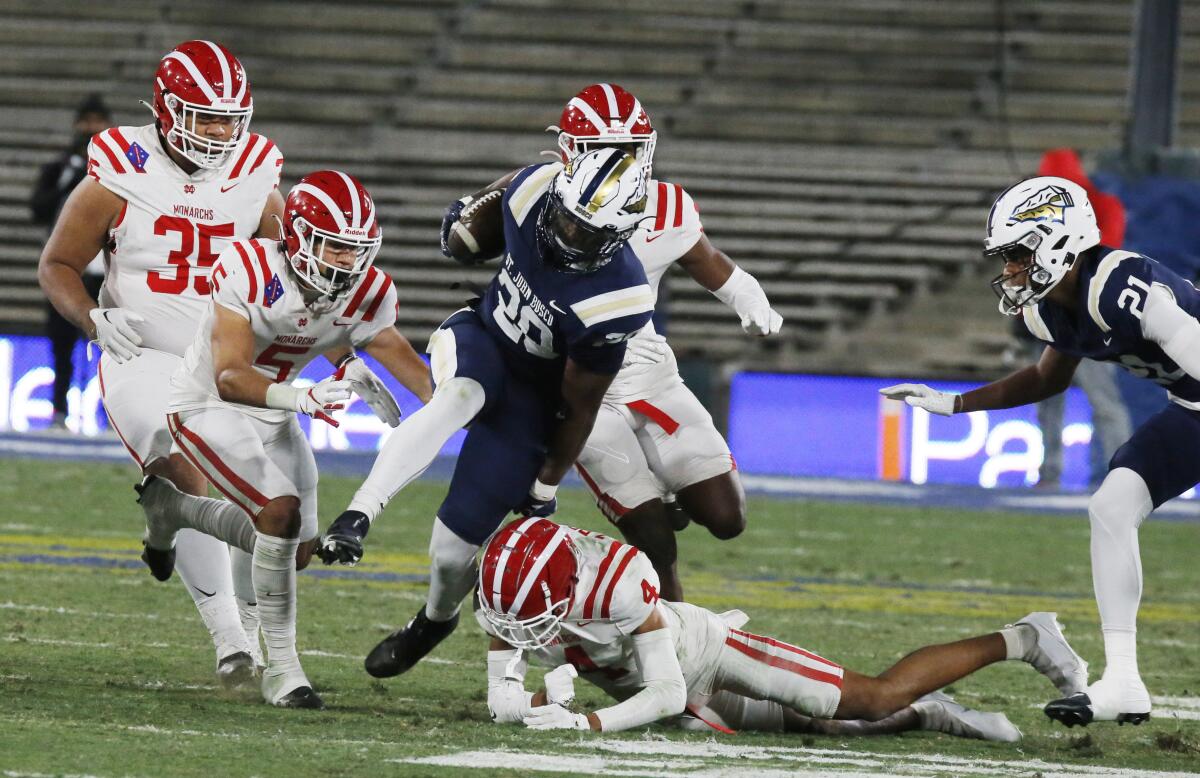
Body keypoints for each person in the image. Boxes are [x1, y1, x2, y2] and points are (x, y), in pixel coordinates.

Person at [315, 148, 657, 678]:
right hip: (480, 336)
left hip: (534, 398)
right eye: (565, 216)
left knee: (451, 554)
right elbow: (470, 232)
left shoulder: (616, 297)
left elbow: (580, 401)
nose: (568, 234)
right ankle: (357, 515)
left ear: (619, 234)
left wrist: (548, 480)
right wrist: (466, 223)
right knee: (459, 397)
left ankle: (435, 619)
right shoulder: (534, 190)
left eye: (587, 232)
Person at [440, 83, 784, 600]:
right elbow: (466, 237)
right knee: (654, 541)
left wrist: (753, 303)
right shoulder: (543, 191)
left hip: (645, 367)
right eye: (606, 150)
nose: (620, 163)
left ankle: (669, 491)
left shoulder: (667, 206)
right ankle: (672, 642)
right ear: (569, 152)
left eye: (629, 150)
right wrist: (472, 214)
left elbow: (718, 269)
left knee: (727, 518)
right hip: (575, 379)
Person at [881, 175, 1200, 726]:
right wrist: (954, 404)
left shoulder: (1121, 286)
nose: (1009, 269)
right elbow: (1045, 379)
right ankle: (1123, 681)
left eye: (1018, 254)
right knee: (1112, 506)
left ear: (1058, 242)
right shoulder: (1052, 306)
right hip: (1193, 405)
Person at [37, 40, 285, 688]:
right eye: (203, 116)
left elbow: (287, 268)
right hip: (140, 352)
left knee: (257, 493)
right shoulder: (122, 164)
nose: (218, 131)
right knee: (184, 467)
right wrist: (94, 317)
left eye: (228, 118)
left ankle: (162, 526)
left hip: (224, 359)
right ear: (168, 110)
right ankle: (231, 644)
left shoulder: (257, 172)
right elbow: (58, 264)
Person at [136, 170, 433, 707]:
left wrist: (457, 407)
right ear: (295, 238)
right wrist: (301, 397)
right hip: (209, 405)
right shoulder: (248, 267)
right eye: (335, 248)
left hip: (274, 414)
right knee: (279, 514)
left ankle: (173, 510)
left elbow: (395, 351)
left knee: (297, 551)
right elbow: (230, 373)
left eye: (356, 251)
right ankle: (283, 668)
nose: (346, 263)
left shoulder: (366, 291)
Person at [475, 517, 1088, 738]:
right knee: (823, 728)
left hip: (704, 656)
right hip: (653, 694)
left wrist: (585, 721)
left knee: (866, 701)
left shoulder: (619, 580)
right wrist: (536, 701)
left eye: (535, 619)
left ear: (567, 590)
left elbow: (663, 692)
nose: (523, 635)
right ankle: (934, 714)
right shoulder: (513, 589)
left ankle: (1025, 637)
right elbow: (502, 695)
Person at [29, 94, 112, 430]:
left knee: (111, 345)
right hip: (68, 266)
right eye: (86, 121)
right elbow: (37, 209)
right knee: (61, 344)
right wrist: (67, 178)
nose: (91, 128)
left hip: (105, 270)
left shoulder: (119, 170)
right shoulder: (58, 167)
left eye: (97, 121)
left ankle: (112, 414)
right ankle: (59, 411)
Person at [1009, 313, 1131, 487]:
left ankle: (1122, 476)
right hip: (1047, 331)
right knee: (1048, 407)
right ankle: (1049, 474)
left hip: (1087, 331)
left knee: (1105, 405)